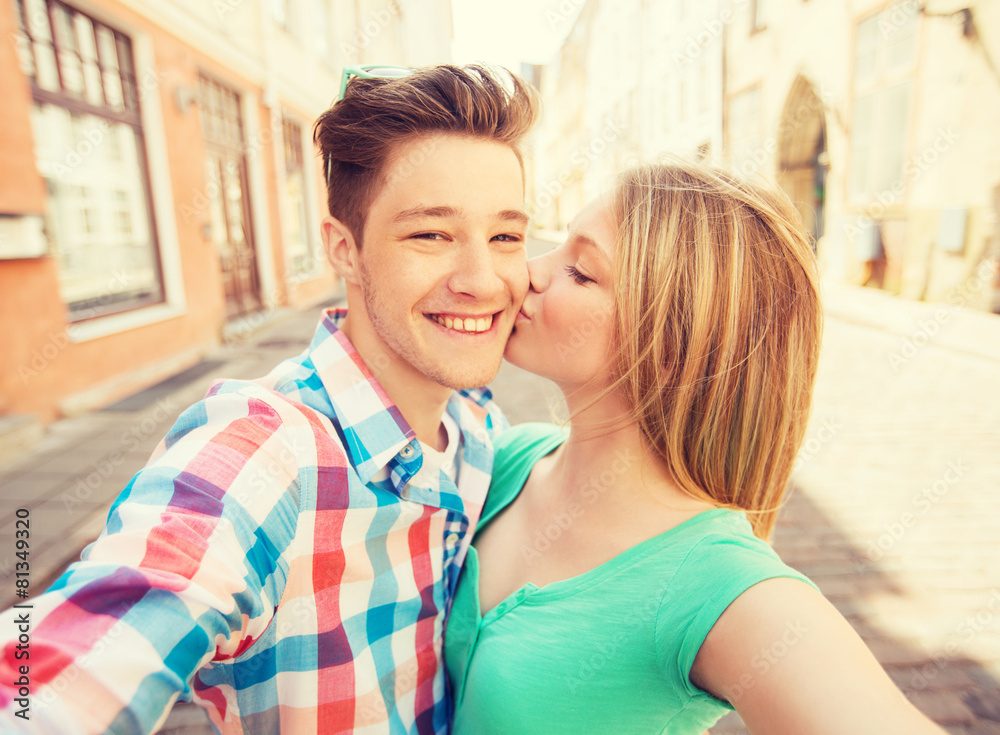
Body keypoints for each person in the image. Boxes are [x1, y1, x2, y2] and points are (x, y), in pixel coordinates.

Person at [0, 64, 538, 734]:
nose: (483, 281)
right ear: (345, 248)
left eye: (507, 236)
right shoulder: (267, 450)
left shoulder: (482, 428)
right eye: (430, 233)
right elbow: (85, 648)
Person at [444, 160, 946, 734]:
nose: (528, 273)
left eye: (580, 271)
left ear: (676, 340)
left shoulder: (718, 585)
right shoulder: (510, 458)